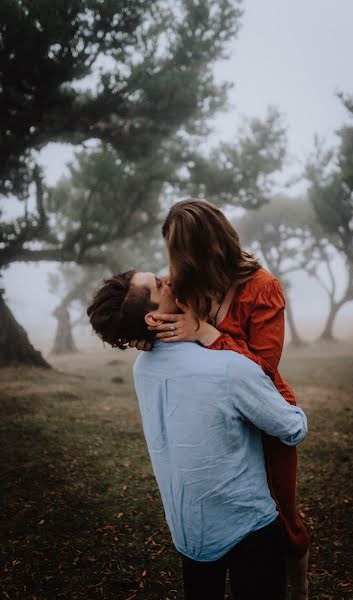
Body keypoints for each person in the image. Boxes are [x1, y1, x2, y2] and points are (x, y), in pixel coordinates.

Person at [87, 269, 308, 600]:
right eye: (160, 286)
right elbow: (292, 428)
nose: (169, 279)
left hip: (189, 530)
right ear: (153, 317)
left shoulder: (142, 368)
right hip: (248, 526)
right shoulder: (227, 367)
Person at [131, 199, 310, 600]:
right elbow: (147, 312)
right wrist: (142, 338)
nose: (172, 268)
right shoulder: (185, 285)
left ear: (206, 247)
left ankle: (299, 586)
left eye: (179, 254)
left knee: (282, 514)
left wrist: (209, 335)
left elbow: (264, 367)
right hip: (216, 416)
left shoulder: (262, 288)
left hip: (264, 411)